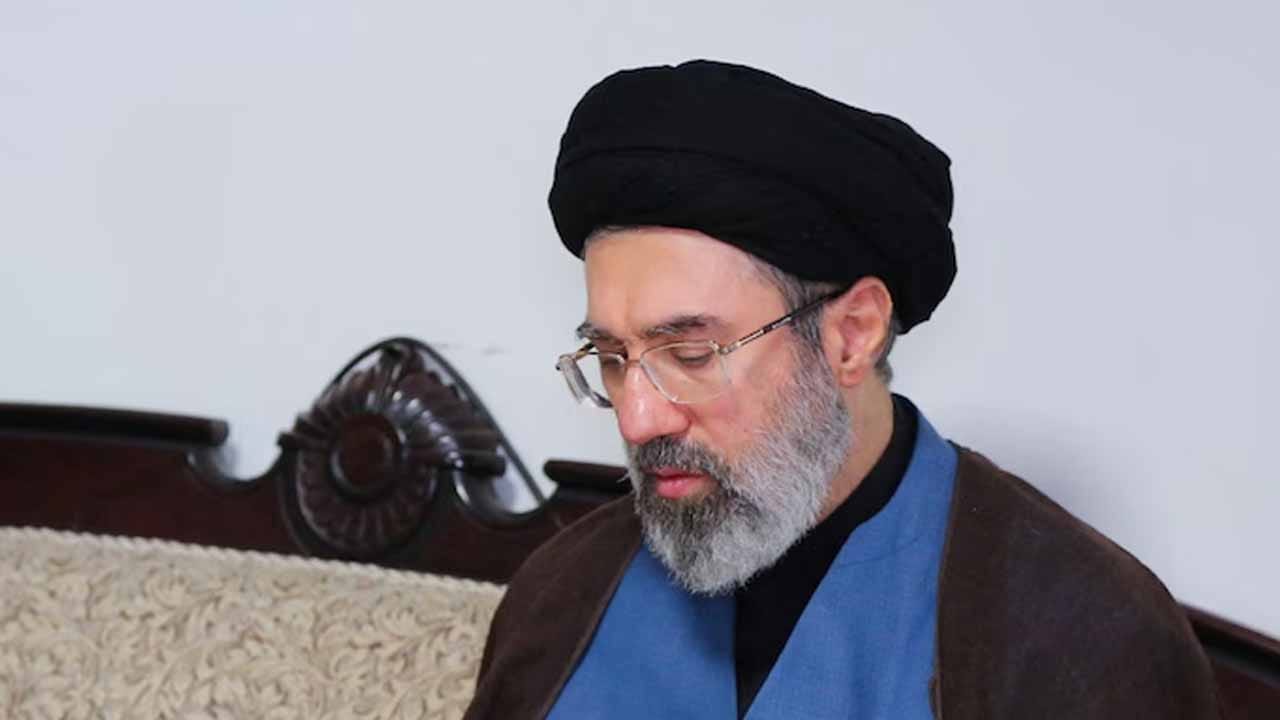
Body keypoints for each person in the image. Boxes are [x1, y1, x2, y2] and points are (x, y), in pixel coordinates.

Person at [465, 60, 1218, 719]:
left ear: (852, 334)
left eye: (690, 354)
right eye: (611, 356)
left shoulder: (1082, 633)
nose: (636, 418)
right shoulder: (563, 591)